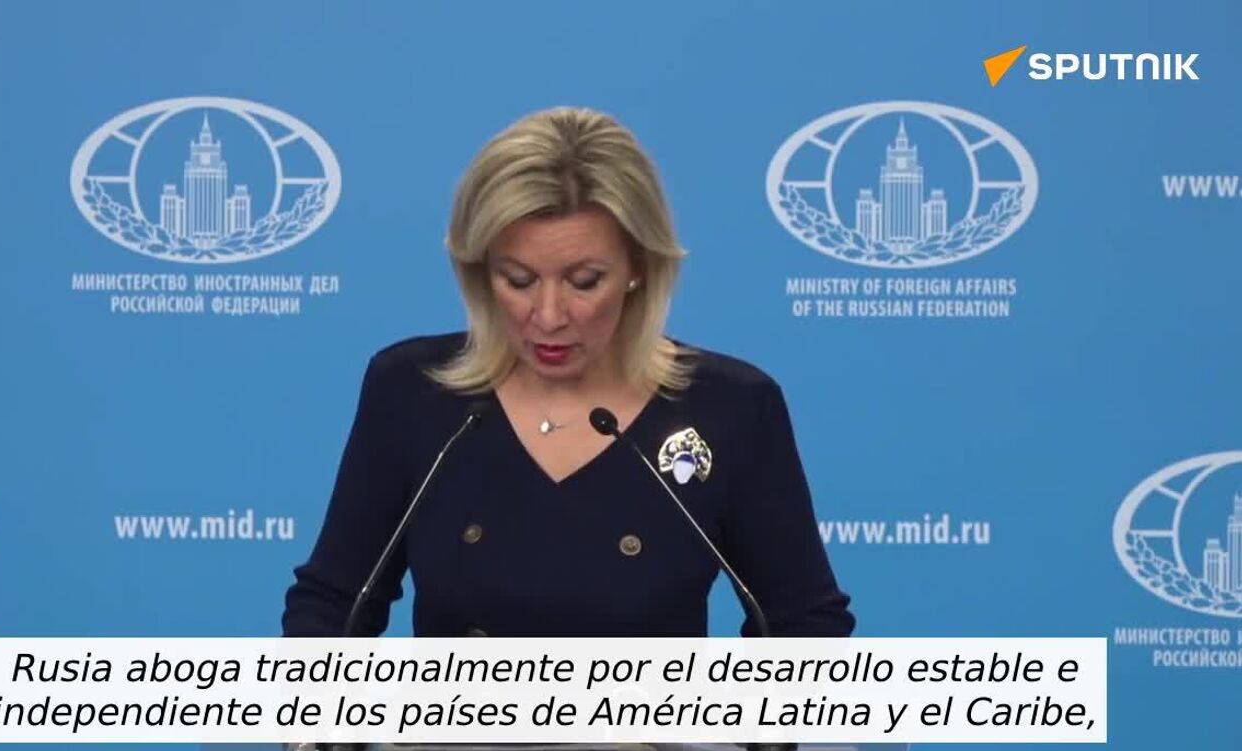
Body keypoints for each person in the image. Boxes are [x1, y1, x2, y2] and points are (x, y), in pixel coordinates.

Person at [281, 107, 853, 639]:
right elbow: (333, 604)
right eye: (518, 280)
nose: (549, 316)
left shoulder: (731, 407)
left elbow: (805, 624)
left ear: (638, 268)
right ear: (480, 272)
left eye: (584, 282)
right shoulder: (412, 391)